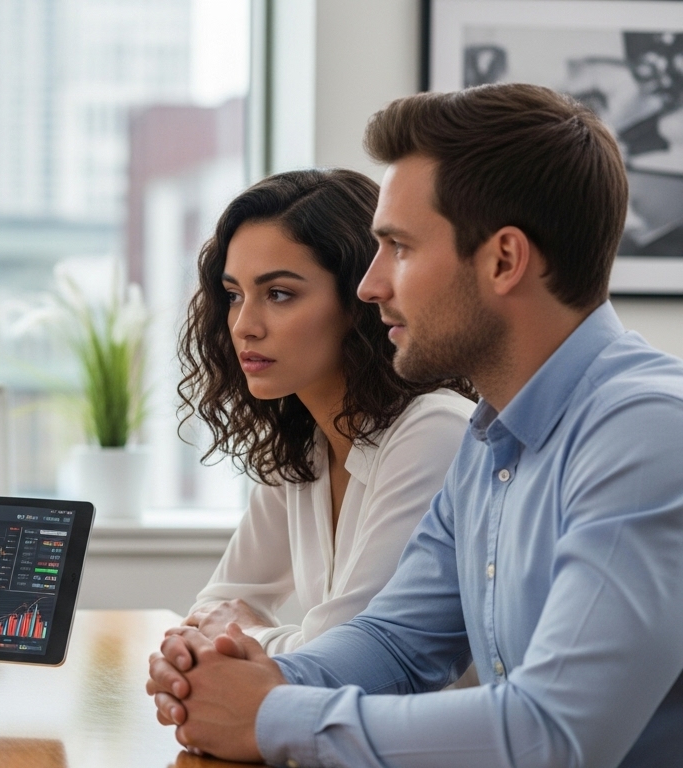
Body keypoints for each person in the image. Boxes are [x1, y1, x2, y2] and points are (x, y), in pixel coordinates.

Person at [148, 82, 683, 766]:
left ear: (504, 260)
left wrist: (271, 712)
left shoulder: (647, 432)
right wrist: (244, 678)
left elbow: (555, 731)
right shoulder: (491, 440)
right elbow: (397, 643)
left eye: (398, 248)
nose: (370, 285)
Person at [176, 169, 475, 654]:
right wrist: (212, 646)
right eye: (234, 296)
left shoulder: (434, 431)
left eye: (278, 294)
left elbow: (347, 653)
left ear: (360, 300)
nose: (244, 325)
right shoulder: (305, 446)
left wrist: (250, 637)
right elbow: (214, 607)